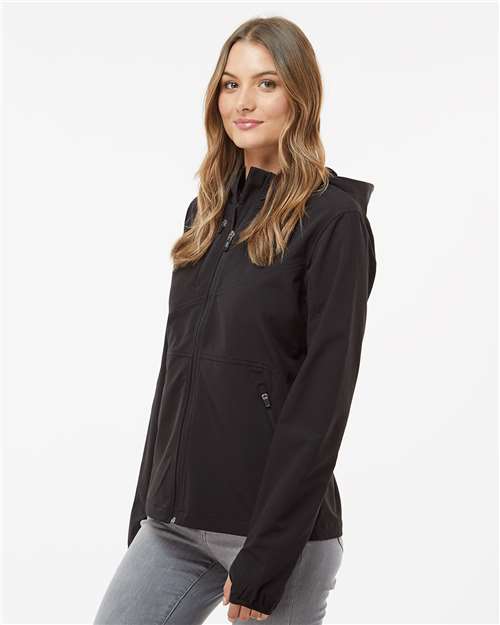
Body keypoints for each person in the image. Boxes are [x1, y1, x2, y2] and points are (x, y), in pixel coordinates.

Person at [93, 15, 376, 625]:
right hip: (175, 524)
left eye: (266, 83)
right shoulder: (207, 213)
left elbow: (323, 401)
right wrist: (146, 508)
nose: (243, 102)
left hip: (276, 534)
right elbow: (175, 373)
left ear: (300, 95)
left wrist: (268, 557)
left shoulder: (333, 222)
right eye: (230, 83)